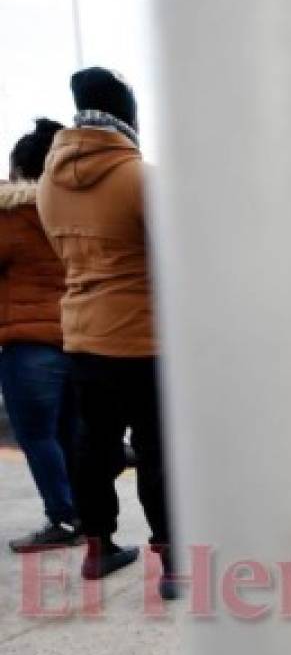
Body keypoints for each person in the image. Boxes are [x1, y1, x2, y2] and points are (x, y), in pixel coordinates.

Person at [37, 67, 176, 596]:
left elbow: (61, 254)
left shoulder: (50, 182)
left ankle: (97, 546)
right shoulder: (140, 178)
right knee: (159, 449)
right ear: (127, 113)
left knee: (92, 446)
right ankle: (173, 557)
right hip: (144, 338)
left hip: (82, 336)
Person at [1, 118, 84, 552]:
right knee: (72, 433)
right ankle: (86, 516)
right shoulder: (77, 212)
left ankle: (63, 518)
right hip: (80, 336)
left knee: (37, 435)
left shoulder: (11, 216)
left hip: (29, 345)